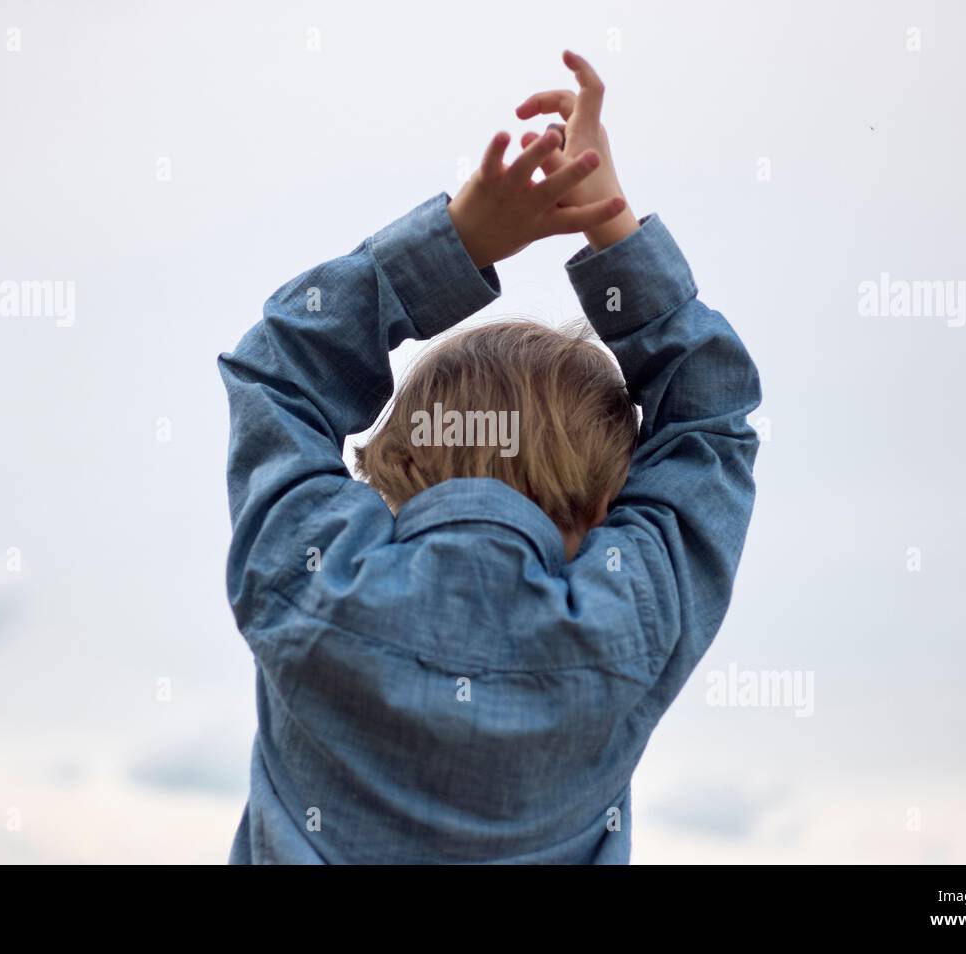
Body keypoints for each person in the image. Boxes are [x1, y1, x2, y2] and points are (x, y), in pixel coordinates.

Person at [219, 50, 762, 863]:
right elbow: (710, 414)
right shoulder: (630, 622)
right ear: (606, 499)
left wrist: (456, 239)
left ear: (392, 462)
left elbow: (279, 367)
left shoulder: (311, 576)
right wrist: (610, 225)